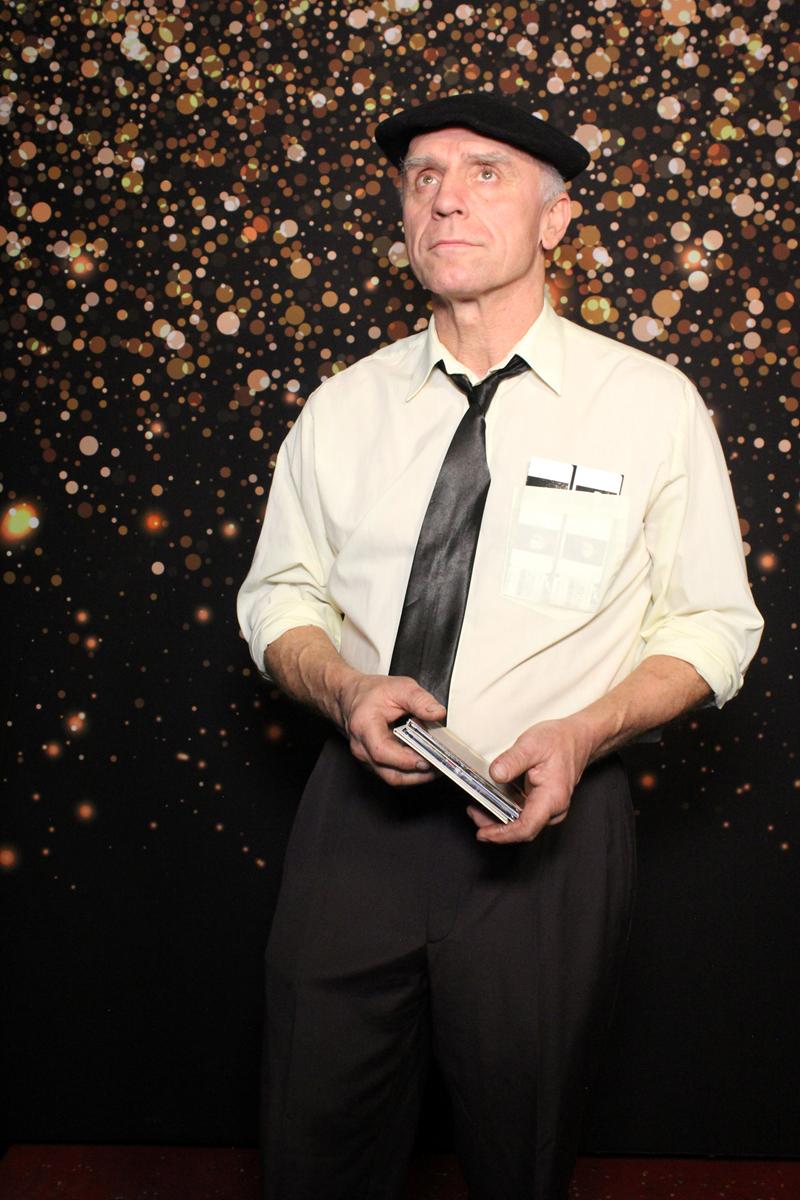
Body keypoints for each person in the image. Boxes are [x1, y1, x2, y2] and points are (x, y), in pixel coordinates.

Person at [238, 92, 763, 1200]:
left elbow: (713, 624)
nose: (446, 198)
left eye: (486, 173)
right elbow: (279, 594)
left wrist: (585, 731)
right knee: (310, 1145)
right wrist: (341, 689)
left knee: (521, 1154)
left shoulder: (649, 406)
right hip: (355, 822)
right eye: (422, 177)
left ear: (554, 219)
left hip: (547, 828)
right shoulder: (342, 408)